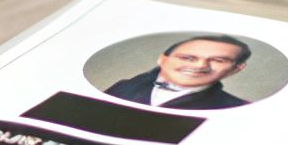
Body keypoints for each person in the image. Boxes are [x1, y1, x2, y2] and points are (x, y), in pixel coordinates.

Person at [104, 34, 251, 110]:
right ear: (162, 59)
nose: (200, 65)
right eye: (188, 58)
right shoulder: (123, 87)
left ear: (236, 68)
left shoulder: (238, 107)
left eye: (218, 60)